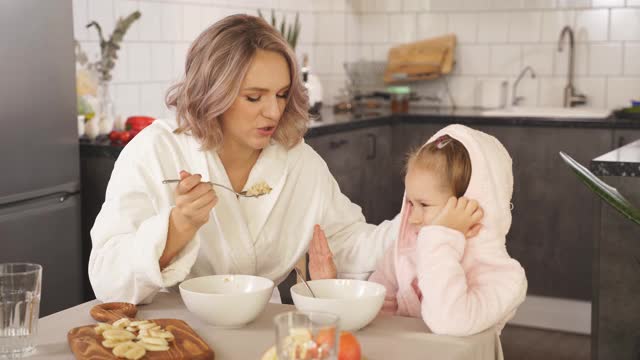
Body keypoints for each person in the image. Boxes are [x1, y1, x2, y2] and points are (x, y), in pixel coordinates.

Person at [88, 14, 399, 304]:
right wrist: (176, 228)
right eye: (254, 97)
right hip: (170, 337)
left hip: (262, 337)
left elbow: (344, 241)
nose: (274, 112)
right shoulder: (156, 152)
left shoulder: (297, 160)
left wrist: (415, 227)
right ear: (213, 92)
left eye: (281, 94)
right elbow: (107, 278)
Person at [310, 124, 527, 336]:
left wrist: (441, 236)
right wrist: (329, 289)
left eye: (424, 205)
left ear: (471, 204)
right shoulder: (402, 256)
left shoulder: (506, 279)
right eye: (410, 204)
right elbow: (373, 323)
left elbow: (449, 321)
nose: (412, 217)